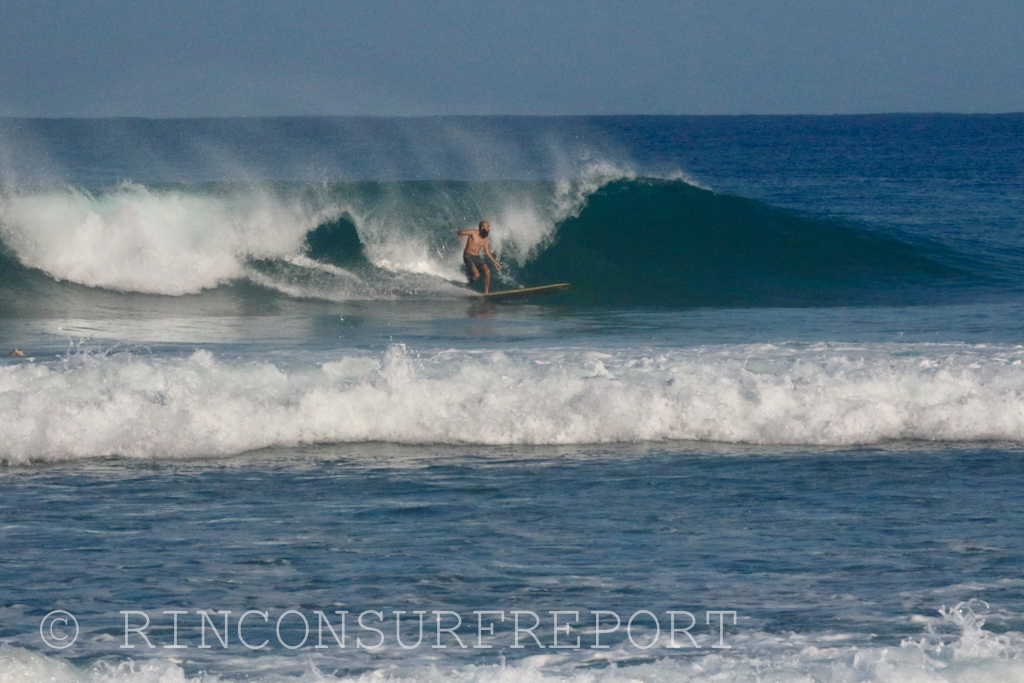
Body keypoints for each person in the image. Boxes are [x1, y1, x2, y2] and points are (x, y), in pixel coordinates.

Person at [457, 221, 502, 293]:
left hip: (477, 257)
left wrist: (495, 262)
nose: (489, 229)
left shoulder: (485, 239)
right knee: (476, 275)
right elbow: (460, 232)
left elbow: (487, 251)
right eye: (488, 227)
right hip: (468, 256)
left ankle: (486, 292)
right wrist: (461, 236)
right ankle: (468, 287)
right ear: (482, 227)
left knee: (487, 271)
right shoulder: (473, 233)